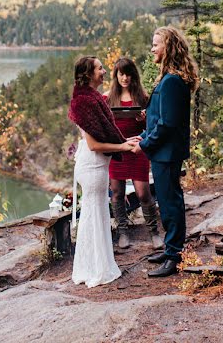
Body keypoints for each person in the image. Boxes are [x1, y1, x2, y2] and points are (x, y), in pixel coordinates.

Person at [67, 56, 139, 287]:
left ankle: (96, 264)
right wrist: (122, 146)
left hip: (97, 164)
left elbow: (105, 133)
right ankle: (94, 268)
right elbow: (95, 144)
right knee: (93, 214)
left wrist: (125, 139)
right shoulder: (84, 103)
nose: (105, 71)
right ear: (88, 74)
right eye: (100, 68)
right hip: (92, 165)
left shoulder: (92, 98)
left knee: (96, 213)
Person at [139, 26, 198, 278]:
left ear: (169, 47)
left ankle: (174, 254)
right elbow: (158, 119)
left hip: (167, 152)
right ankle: (170, 248)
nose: (152, 48)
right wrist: (142, 136)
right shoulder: (169, 78)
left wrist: (145, 144)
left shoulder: (172, 81)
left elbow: (167, 123)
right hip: (163, 152)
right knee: (167, 200)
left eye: (156, 44)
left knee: (170, 202)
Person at [104, 57, 164, 250]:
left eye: (128, 73)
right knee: (117, 193)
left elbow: (153, 126)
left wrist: (143, 119)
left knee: (143, 192)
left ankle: (154, 232)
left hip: (138, 149)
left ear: (134, 75)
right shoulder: (107, 98)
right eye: (121, 74)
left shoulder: (143, 97)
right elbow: (103, 126)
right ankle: (123, 231)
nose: (125, 78)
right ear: (116, 75)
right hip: (118, 150)